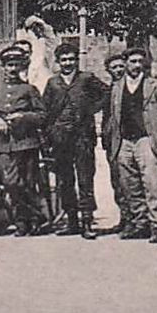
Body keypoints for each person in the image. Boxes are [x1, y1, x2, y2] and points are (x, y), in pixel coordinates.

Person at [105, 47, 157, 243]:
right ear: (126, 63)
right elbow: (113, 115)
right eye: (133, 61)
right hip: (124, 140)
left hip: (147, 139)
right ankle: (140, 223)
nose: (137, 65)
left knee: (153, 183)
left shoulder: (155, 85)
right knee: (130, 184)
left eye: (140, 62)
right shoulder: (117, 87)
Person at [0, 46, 47, 236]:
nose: (13, 69)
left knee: (28, 183)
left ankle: (26, 223)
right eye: (9, 65)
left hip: (26, 143)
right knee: (10, 183)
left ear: (22, 67)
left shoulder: (29, 90)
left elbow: (42, 115)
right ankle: (32, 216)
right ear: (3, 67)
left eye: (16, 65)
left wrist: (23, 117)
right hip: (2, 144)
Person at [42, 42, 108, 239]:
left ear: (77, 60)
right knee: (65, 180)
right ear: (58, 62)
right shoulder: (53, 83)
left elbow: (107, 93)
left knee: (85, 179)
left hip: (83, 137)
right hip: (60, 138)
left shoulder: (86, 78)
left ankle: (87, 222)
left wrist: (91, 109)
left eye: (71, 59)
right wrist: (49, 134)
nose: (68, 63)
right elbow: (45, 110)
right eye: (64, 60)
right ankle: (72, 222)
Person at [98, 50, 130, 233]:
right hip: (111, 142)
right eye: (114, 67)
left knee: (131, 182)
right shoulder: (108, 90)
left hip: (127, 140)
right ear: (108, 70)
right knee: (116, 181)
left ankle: (138, 220)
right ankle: (124, 218)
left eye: (121, 66)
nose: (118, 70)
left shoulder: (132, 88)